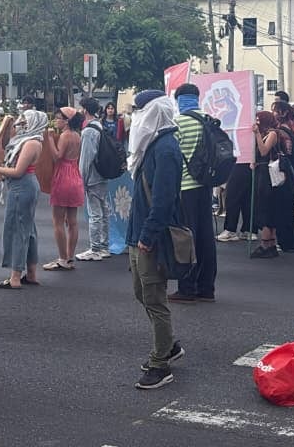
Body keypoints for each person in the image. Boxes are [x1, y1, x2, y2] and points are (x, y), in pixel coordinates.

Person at [124, 90, 183, 390]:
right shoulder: (152, 144)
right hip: (139, 235)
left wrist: (147, 236)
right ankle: (170, 345)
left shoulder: (166, 148)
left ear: (153, 112)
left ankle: (161, 364)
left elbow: (163, 201)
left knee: (155, 299)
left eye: (138, 110)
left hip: (151, 238)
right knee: (141, 293)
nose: (134, 115)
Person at [0, 110, 46, 289]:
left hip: (22, 186)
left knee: (17, 229)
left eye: (25, 120)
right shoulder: (29, 140)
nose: (22, 122)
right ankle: (31, 273)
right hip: (24, 186)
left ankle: (15, 276)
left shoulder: (31, 143)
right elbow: (7, 142)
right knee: (28, 229)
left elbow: (18, 171)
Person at [169, 84, 220, 300]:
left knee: (186, 237)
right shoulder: (209, 120)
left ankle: (187, 287)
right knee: (206, 237)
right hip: (205, 186)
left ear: (179, 99)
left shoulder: (177, 123)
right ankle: (206, 287)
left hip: (185, 187)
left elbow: (173, 158)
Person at [247, 110, 294, 259]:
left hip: (268, 176)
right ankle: (270, 243)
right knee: (266, 207)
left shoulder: (273, 134)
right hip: (263, 172)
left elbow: (263, 151)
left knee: (266, 208)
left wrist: (256, 134)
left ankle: (266, 243)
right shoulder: (267, 134)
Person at [44, 107, 84, 272]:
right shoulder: (77, 136)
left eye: (59, 118)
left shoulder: (65, 136)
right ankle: (70, 257)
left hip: (63, 177)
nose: (56, 121)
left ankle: (62, 258)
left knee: (58, 221)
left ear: (67, 120)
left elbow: (57, 156)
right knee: (73, 222)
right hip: (75, 175)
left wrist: (50, 140)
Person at [75, 98, 113, 262]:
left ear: (85, 110)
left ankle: (95, 248)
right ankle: (104, 246)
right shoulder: (99, 125)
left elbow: (86, 159)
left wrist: (81, 181)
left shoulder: (89, 131)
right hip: (102, 174)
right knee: (103, 212)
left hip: (92, 177)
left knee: (95, 213)